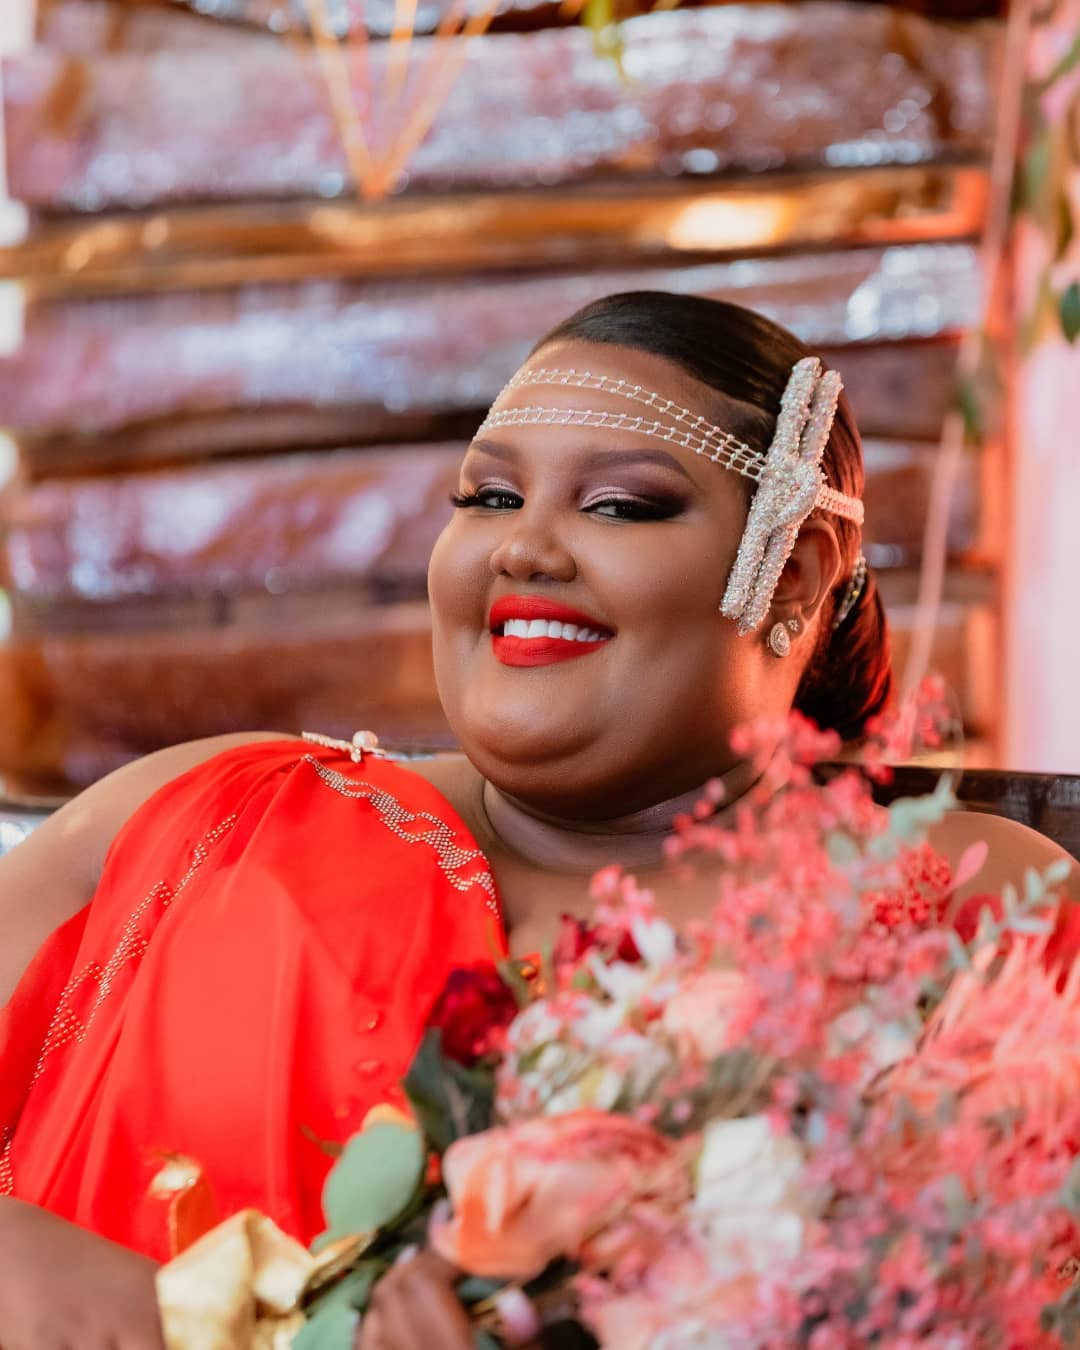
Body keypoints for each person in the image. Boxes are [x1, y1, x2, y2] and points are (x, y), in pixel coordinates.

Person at [0, 292, 1075, 1350]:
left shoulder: (964, 912)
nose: (522, 548)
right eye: (489, 497)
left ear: (788, 576)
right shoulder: (213, 813)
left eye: (619, 506)